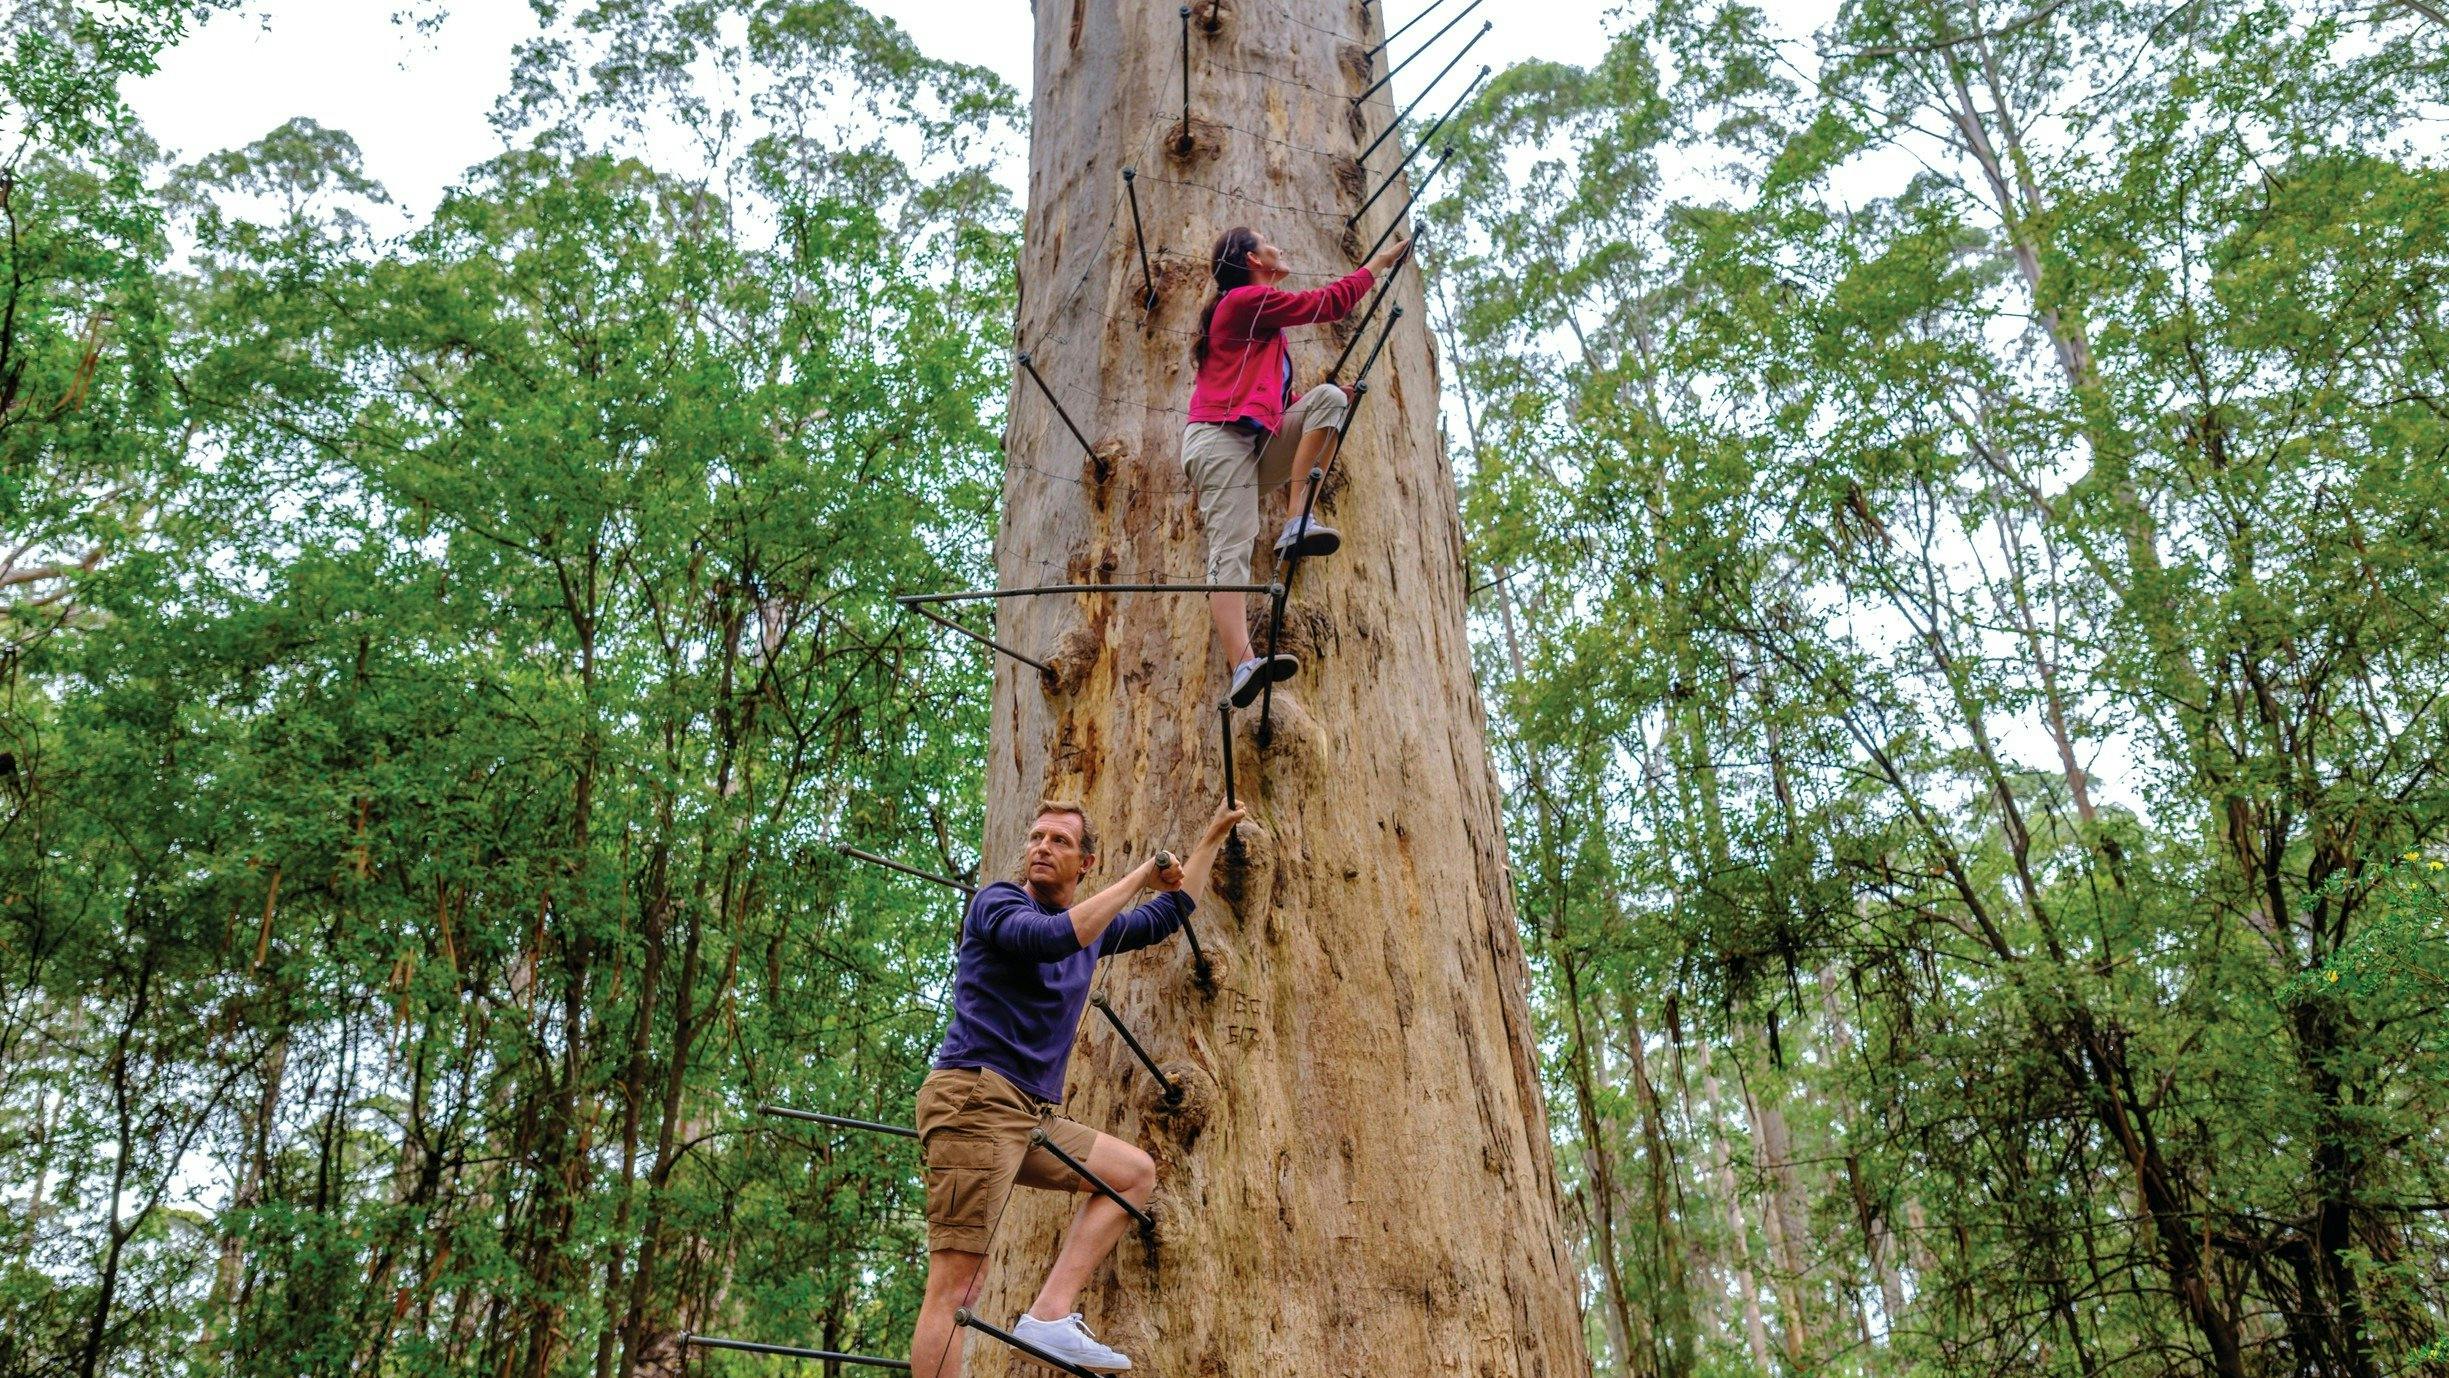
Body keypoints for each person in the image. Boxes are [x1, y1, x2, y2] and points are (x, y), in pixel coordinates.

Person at [909, 797, 1246, 1377]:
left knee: (1132, 1174)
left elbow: (1169, 912)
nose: (1042, 846)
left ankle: (1047, 1315)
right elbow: (1051, 939)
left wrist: (1211, 835)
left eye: (1060, 841)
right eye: (1037, 837)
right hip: (975, 1100)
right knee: (959, 1285)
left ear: (1086, 863)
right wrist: (1141, 875)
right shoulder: (999, 903)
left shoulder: (1091, 930)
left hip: (1030, 1115)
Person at [1182, 226, 1411, 707]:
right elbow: (1324, 305)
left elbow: (1275, 406)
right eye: (1268, 243)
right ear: (1249, 259)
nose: (1278, 247)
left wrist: (1313, 408)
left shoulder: (1266, 331)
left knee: (1327, 400)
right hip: (1220, 441)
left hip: (1252, 445)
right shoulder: (1244, 301)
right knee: (1232, 546)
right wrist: (1378, 264)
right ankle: (1242, 663)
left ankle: (1296, 522)